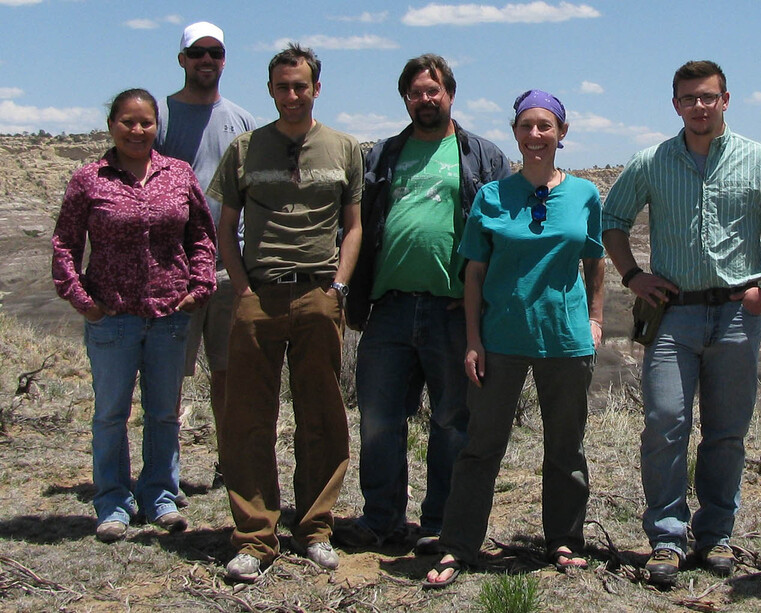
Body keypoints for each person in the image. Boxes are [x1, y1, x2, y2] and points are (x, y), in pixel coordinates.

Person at [602, 60, 761, 588]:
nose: (699, 105)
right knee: (665, 423)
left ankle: (715, 535)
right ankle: (667, 538)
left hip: (738, 315)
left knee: (726, 432)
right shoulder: (651, 161)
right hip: (672, 315)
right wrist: (632, 276)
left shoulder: (760, 160)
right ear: (675, 104)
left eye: (708, 97)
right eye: (689, 98)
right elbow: (612, 221)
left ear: (726, 100)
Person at [424, 89, 604, 588]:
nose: (536, 135)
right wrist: (473, 339)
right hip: (501, 337)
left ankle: (564, 540)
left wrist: (595, 317)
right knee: (481, 446)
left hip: (566, 339)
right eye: (527, 126)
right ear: (516, 133)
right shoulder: (492, 196)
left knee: (565, 447)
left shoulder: (585, 194)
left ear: (562, 133)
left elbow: (594, 261)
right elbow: (474, 276)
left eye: (546, 125)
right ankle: (458, 544)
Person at [340, 54, 511, 553]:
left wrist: (485, 303)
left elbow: (502, 235)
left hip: (454, 310)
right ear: (406, 99)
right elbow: (358, 222)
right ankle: (381, 519)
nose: (425, 99)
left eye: (433, 91)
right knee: (378, 419)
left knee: (452, 421)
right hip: (389, 307)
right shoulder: (383, 156)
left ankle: (440, 522)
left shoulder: (483, 157)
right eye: (416, 92)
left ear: (450, 94)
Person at [206, 43, 363, 582]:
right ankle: (254, 536)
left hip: (319, 296)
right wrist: (245, 291)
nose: (292, 95)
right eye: (282, 86)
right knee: (248, 417)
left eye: (301, 86)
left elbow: (354, 225)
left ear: (316, 88)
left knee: (321, 414)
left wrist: (339, 288)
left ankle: (315, 528)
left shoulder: (343, 148)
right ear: (270, 90)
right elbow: (225, 228)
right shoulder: (245, 149)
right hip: (259, 297)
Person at [52, 88, 216, 543]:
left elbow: (202, 235)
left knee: (163, 413)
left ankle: (160, 495)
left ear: (156, 127)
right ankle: (112, 502)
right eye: (128, 121)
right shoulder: (89, 179)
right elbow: (65, 244)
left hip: (169, 315)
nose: (137, 130)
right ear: (112, 125)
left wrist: (200, 285)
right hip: (112, 317)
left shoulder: (178, 174)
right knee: (110, 414)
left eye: (146, 122)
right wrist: (81, 298)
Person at [155, 21, 255, 440]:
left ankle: (230, 461)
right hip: (172, 269)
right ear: (182, 60)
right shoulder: (158, 117)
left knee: (229, 372)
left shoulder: (242, 120)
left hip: (228, 268)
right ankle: (163, 472)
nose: (207, 60)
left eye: (215, 52)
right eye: (198, 53)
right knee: (167, 377)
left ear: (225, 60)